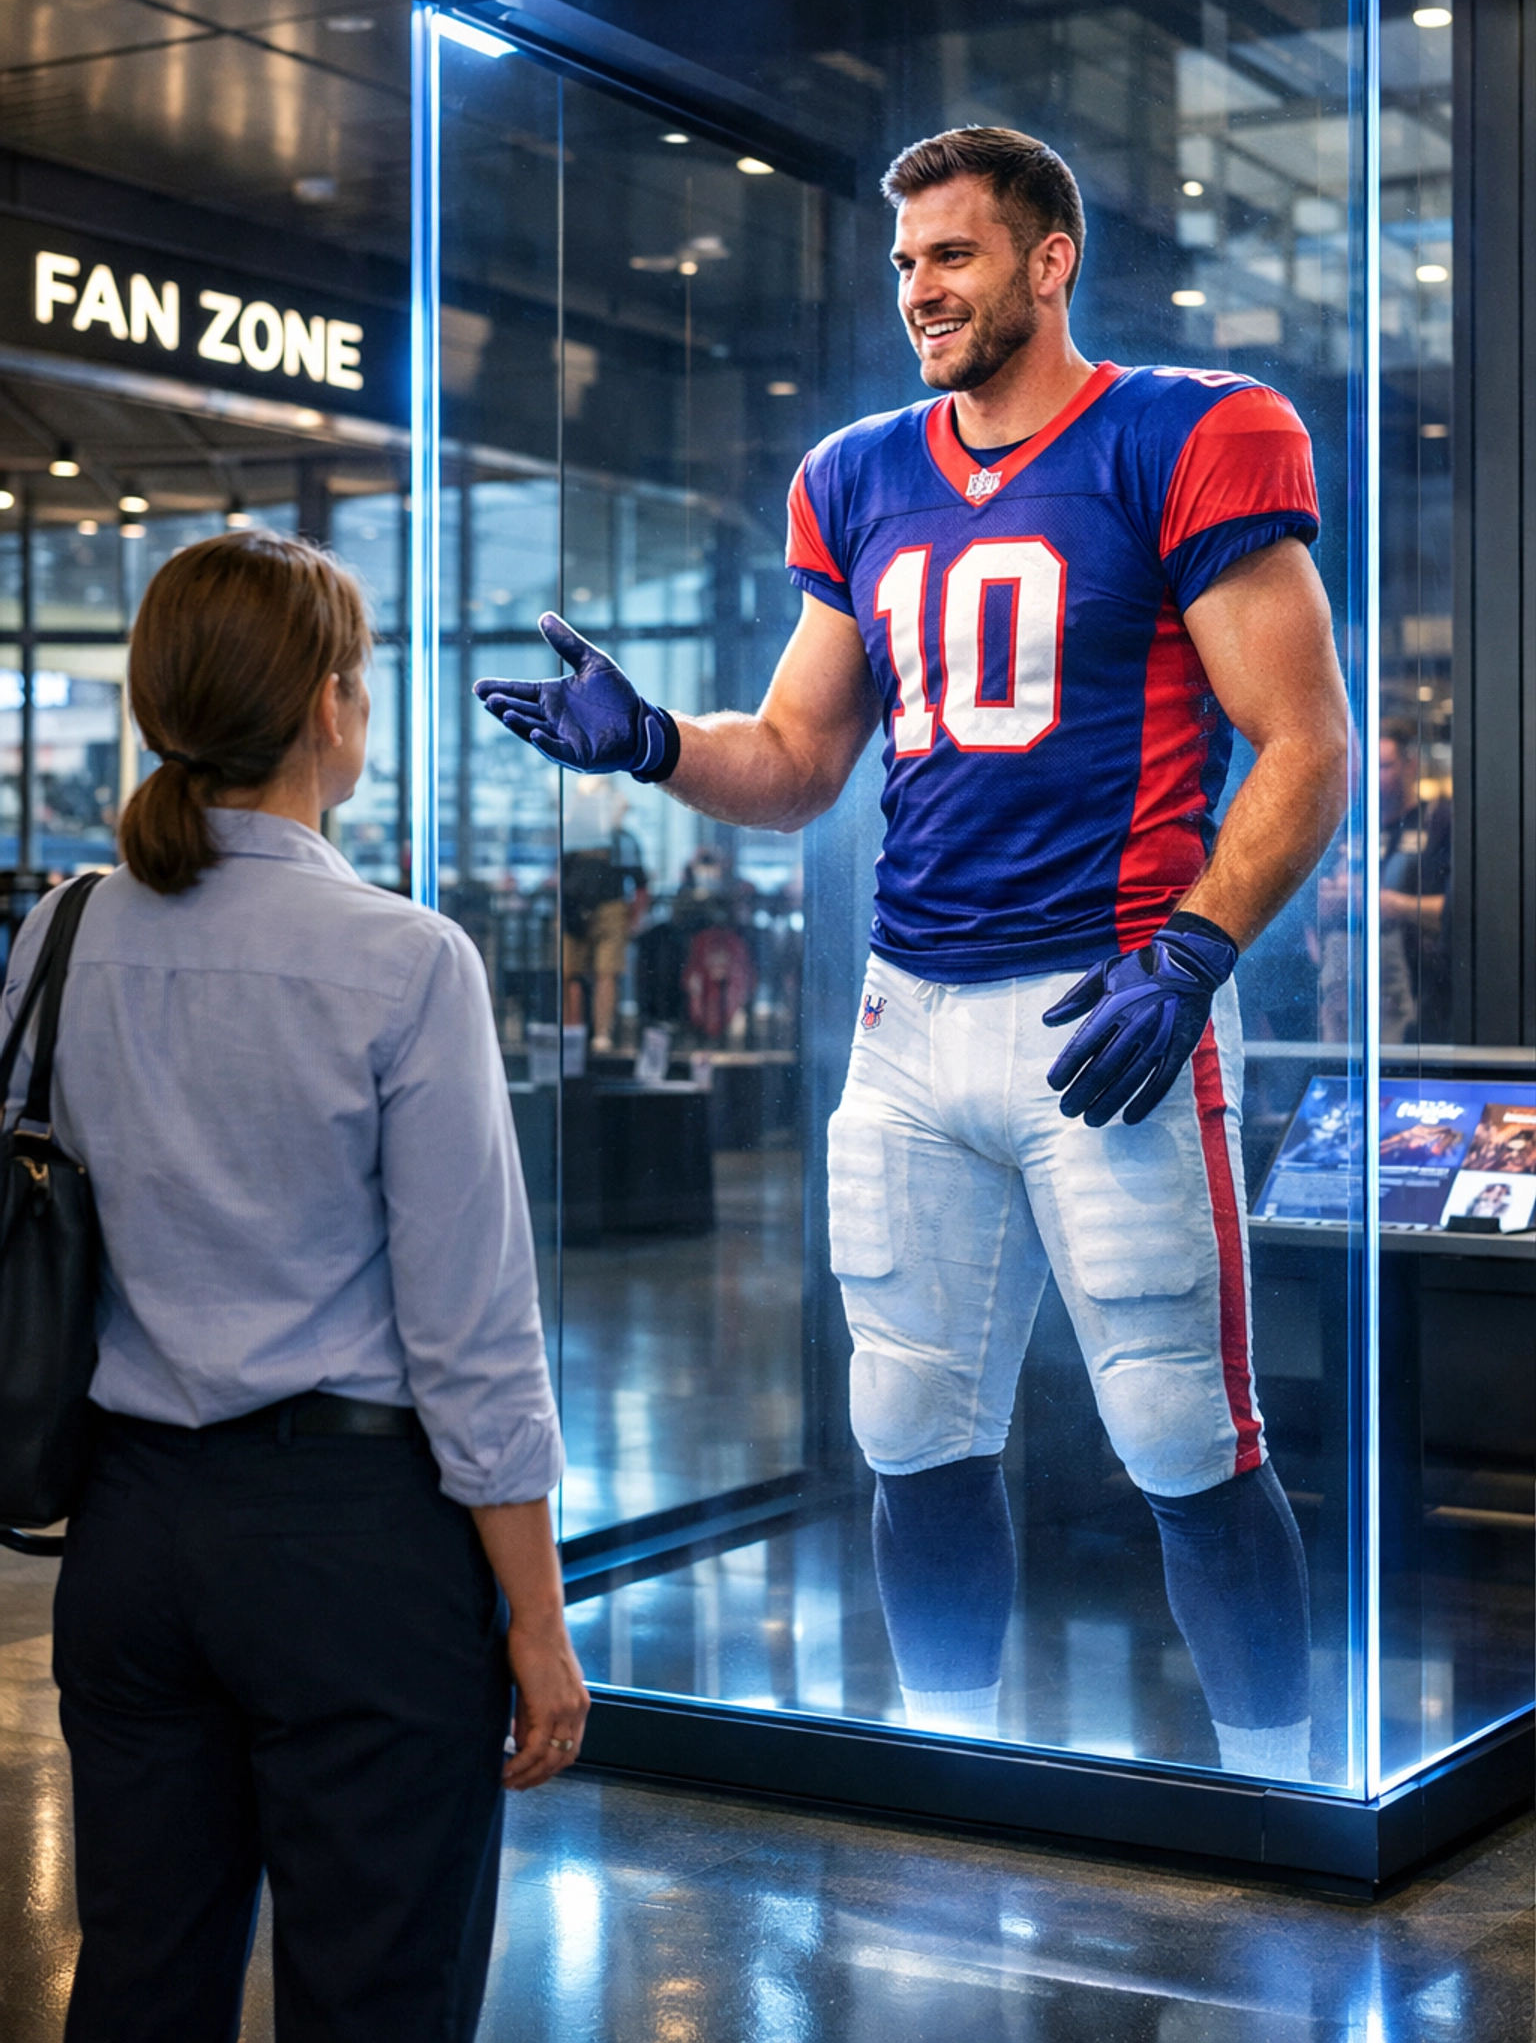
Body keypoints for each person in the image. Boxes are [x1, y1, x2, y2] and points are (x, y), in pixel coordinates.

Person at [475, 126, 1350, 1781]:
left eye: (954, 253)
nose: (921, 289)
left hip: (1106, 1007)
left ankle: (1281, 1795)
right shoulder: (859, 473)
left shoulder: (1186, 432)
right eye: (903, 262)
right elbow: (800, 757)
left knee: (1183, 1425)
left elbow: (1305, 740)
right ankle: (960, 1783)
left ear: (1049, 260)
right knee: (908, 1424)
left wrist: (1194, 952)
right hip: (910, 1015)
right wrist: (655, 741)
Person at [3, 532, 588, 2043]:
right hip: (356, 1552)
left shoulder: (63, 933)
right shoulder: (406, 961)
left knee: (142, 1982)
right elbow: (471, 1336)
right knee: (376, 1996)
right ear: (329, 707)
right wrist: (537, 1622)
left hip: (130, 1535)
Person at [1316, 719, 1451, 1044]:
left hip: (1421, 988)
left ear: (1410, 765)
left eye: (1385, 766)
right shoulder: (1347, 823)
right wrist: (1330, 901)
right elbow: (1310, 906)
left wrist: (1385, 904)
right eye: (1368, 767)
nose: (1375, 777)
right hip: (1343, 983)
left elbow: (1457, 909)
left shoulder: (1438, 820)